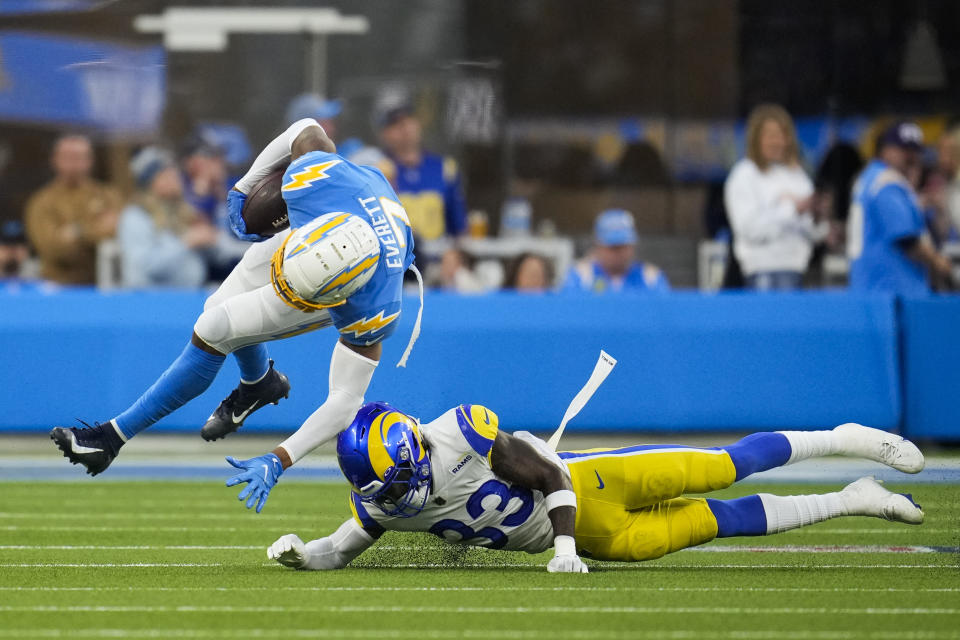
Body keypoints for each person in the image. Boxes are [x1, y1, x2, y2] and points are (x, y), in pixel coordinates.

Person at [50, 119, 419, 514]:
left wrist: (280, 458)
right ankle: (259, 383)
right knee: (215, 312)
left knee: (214, 328)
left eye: (294, 289)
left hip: (341, 267)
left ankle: (111, 437)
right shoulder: (318, 182)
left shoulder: (374, 307)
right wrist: (245, 186)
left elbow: (346, 400)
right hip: (317, 236)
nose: (281, 286)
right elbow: (305, 128)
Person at [266, 401, 924, 573]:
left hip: (590, 487)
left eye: (409, 470)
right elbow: (339, 549)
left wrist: (562, 547)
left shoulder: (460, 433)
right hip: (601, 542)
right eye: (395, 483)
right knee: (717, 522)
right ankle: (851, 497)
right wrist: (303, 551)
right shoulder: (381, 505)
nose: (408, 487)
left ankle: (841, 438)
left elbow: (550, 474)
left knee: (725, 466)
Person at [724, 104, 825, 291]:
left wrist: (821, 223)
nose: (777, 141)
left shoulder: (796, 175)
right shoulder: (745, 175)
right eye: (770, 135)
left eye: (781, 135)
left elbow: (810, 230)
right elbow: (749, 229)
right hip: (763, 272)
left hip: (799, 269)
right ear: (756, 139)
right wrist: (793, 209)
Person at [847, 122, 954, 295]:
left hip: (874, 285)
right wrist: (939, 263)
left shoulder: (872, 176)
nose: (911, 156)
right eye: (904, 150)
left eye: (915, 150)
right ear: (886, 150)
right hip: (891, 287)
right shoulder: (887, 182)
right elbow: (906, 239)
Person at [24, 134, 120, 285]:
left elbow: (117, 232)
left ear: (90, 161)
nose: (74, 163)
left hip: (102, 283)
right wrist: (94, 230)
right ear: (55, 160)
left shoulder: (107, 195)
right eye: (68, 157)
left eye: (79, 157)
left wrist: (76, 232)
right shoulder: (42, 202)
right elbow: (52, 249)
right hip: (57, 285)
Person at [117, 147, 217, 289]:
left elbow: (217, 251)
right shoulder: (135, 217)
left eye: (174, 173)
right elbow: (146, 266)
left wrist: (210, 240)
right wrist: (187, 242)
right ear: (150, 182)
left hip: (191, 294)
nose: (175, 179)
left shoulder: (183, 211)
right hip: (153, 300)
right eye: (166, 175)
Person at [378, 103, 467, 241]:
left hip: (439, 257)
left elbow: (459, 225)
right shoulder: (379, 171)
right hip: (400, 257)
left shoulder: (444, 168)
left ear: (418, 124)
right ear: (385, 134)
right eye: (395, 124)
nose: (404, 128)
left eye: (408, 120)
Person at [562, 209, 669, 293]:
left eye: (623, 246)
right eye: (612, 247)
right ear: (598, 246)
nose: (618, 253)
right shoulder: (580, 277)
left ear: (633, 245)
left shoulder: (650, 278)